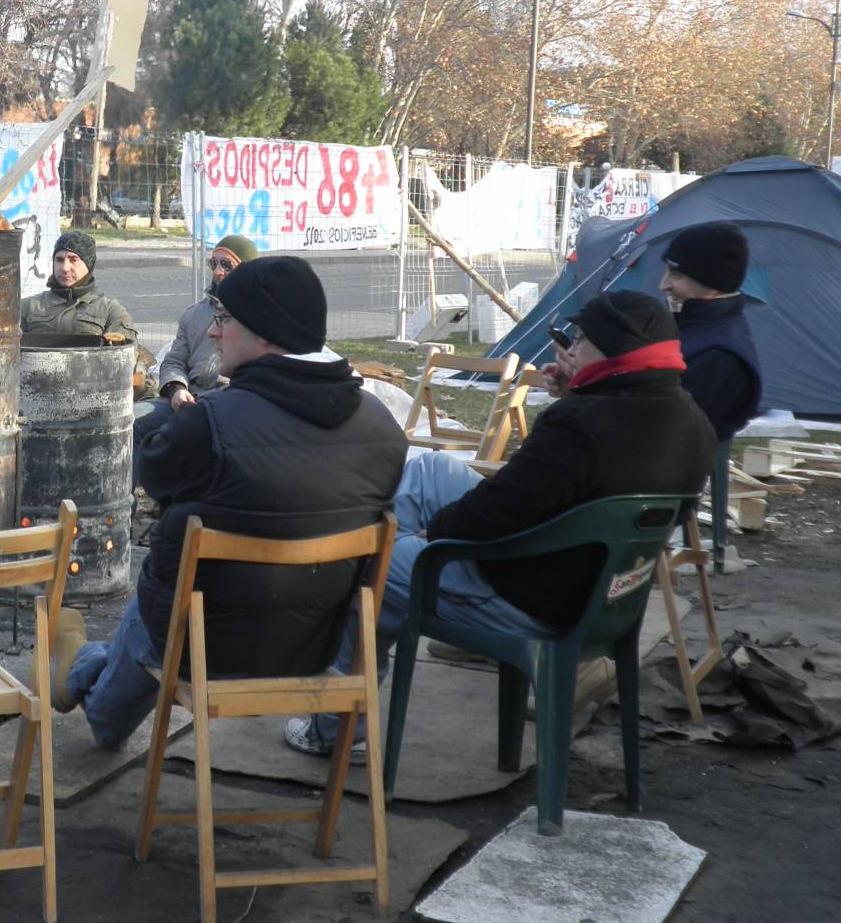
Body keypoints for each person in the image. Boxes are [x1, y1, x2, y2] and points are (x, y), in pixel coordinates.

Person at [287, 290, 716, 758]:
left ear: (611, 350)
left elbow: (491, 517)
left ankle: (333, 729)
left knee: (366, 557)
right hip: (601, 594)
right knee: (433, 471)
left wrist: (424, 539)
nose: (570, 349)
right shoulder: (694, 422)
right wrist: (579, 391)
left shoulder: (582, 425)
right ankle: (387, 585)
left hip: (527, 595)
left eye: (578, 339)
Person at [49, 254, 408, 749]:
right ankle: (88, 660)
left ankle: (81, 666)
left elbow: (154, 476)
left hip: (201, 643)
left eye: (223, 319)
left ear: (262, 332)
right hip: (310, 647)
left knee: (162, 601)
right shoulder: (384, 430)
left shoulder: (209, 422)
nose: (214, 332)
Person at [131, 234, 258, 461]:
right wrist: (177, 389)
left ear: (246, 270)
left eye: (227, 265)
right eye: (214, 263)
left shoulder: (257, 315)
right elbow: (174, 361)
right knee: (130, 422)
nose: (218, 271)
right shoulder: (194, 314)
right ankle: (123, 497)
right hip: (186, 401)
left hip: (230, 405)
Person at [658, 222, 762, 441]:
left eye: (676, 274)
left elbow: (668, 435)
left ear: (713, 282)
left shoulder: (719, 358)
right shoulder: (691, 326)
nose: (663, 285)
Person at [19, 231, 137, 342]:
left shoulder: (111, 311)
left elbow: (126, 354)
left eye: (73, 260)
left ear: (89, 265)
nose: (65, 268)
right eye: (59, 260)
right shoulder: (26, 307)